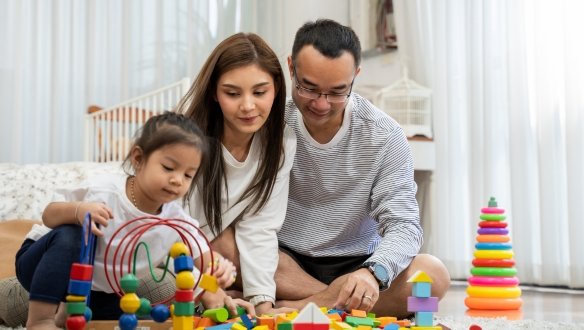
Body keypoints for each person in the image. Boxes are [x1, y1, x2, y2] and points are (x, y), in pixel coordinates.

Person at [273, 19, 450, 317]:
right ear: (291, 67)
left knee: (433, 274)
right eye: (308, 88)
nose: (321, 104)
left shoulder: (384, 134)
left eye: (337, 91)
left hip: (358, 266)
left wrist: (372, 274)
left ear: (355, 76)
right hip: (284, 261)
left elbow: (404, 226)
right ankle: (336, 304)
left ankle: (302, 307)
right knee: (231, 247)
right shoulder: (271, 121)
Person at [15, 112, 248, 330]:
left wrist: (219, 272)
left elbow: (205, 260)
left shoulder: (177, 221)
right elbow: (49, 214)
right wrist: (79, 212)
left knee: (139, 319)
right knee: (72, 234)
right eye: (168, 167)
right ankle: (40, 319)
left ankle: (66, 311)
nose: (178, 180)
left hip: (98, 290)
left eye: (188, 175)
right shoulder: (105, 192)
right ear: (138, 159)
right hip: (41, 264)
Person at [180, 32, 297, 316]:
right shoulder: (186, 139)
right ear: (214, 93)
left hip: (220, 262)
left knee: (272, 259)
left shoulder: (282, 143)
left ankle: (330, 296)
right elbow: (174, 231)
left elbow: (260, 227)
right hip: (174, 257)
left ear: (277, 88)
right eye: (232, 93)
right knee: (223, 241)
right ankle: (329, 296)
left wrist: (263, 306)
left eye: (259, 92)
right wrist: (208, 288)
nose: (247, 106)